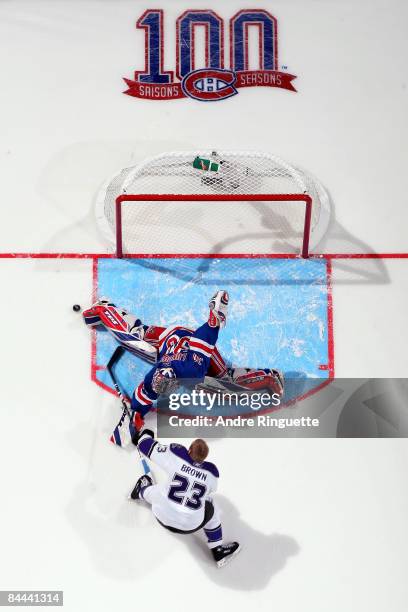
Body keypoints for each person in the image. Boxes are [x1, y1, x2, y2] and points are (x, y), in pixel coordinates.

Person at [83, 290, 284, 445]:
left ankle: (270, 376)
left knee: (226, 380)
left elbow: (204, 337)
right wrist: (136, 413)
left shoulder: (191, 369)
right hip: (169, 338)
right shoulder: (156, 376)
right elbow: (144, 393)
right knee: (133, 336)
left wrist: (215, 319)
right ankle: (103, 308)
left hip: (190, 345)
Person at [130, 430, 240, 568]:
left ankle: (139, 491)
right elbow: (211, 489)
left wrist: (144, 436)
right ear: (204, 457)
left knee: (158, 491)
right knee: (212, 507)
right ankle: (217, 549)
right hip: (190, 526)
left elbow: (145, 446)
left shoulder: (176, 456)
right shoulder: (212, 473)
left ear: (189, 450)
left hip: (161, 515)